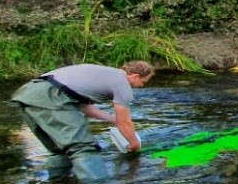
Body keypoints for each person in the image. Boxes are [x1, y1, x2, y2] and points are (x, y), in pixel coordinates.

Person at [11, 61, 154, 163]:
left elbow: (85, 107)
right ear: (135, 76)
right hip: (51, 97)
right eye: (143, 81)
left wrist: (111, 119)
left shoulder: (103, 73)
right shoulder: (122, 85)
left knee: (60, 150)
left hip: (27, 94)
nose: (142, 86)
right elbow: (124, 123)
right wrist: (134, 143)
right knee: (83, 147)